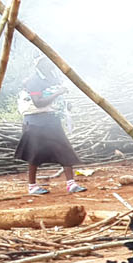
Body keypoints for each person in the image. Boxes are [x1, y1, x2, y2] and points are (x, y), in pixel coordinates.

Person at [14, 58, 85, 195]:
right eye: (47, 64)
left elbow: (56, 99)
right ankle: (32, 187)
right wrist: (58, 93)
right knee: (34, 154)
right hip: (35, 122)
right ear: (40, 66)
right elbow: (38, 103)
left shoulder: (53, 79)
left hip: (51, 120)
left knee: (64, 149)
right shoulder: (33, 81)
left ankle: (71, 184)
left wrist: (64, 104)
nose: (51, 66)